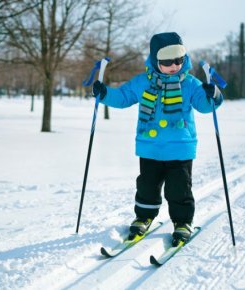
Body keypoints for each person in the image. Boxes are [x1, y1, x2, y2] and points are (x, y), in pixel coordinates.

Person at [92, 32, 222, 245]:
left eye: (179, 60)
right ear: (155, 60)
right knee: (147, 187)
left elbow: (206, 106)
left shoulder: (189, 83)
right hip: (150, 148)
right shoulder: (143, 82)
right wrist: (104, 93)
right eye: (167, 61)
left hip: (179, 149)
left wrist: (213, 94)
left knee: (178, 189)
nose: (174, 65)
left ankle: (182, 222)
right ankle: (144, 217)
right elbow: (124, 97)